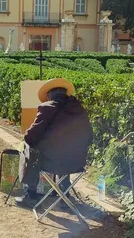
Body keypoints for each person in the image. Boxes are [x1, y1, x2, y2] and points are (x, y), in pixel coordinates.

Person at [15, 78, 93, 208]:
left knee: (28, 147)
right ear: (66, 94)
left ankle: (30, 195)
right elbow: (89, 137)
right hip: (77, 163)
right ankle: (65, 196)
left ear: (49, 96)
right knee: (66, 150)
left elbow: (30, 137)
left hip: (52, 163)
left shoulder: (47, 108)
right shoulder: (79, 109)